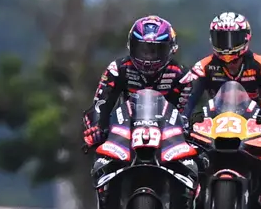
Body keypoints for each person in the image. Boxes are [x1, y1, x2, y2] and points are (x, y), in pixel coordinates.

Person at [182, 11, 261, 209]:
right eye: (221, 38)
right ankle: (191, 195)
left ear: (245, 38)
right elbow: (187, 97)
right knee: (188, 155)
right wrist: (182, 119)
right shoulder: (203, 66)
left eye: (232, 39)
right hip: (214, 122)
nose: (227, 46)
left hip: (257, 122)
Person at [81, 15, 190, 208]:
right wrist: (96, 126)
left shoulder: (181, 75)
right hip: (126, 133)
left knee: (193, 165)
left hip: (167, 137)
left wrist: (190, 131)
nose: (148, 57)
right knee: (102, 162)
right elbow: (101, 103)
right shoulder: (117, 69)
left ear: (170, 49)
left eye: (155, 50)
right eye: (143, 49)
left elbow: (186, 111)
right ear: (131, 46)